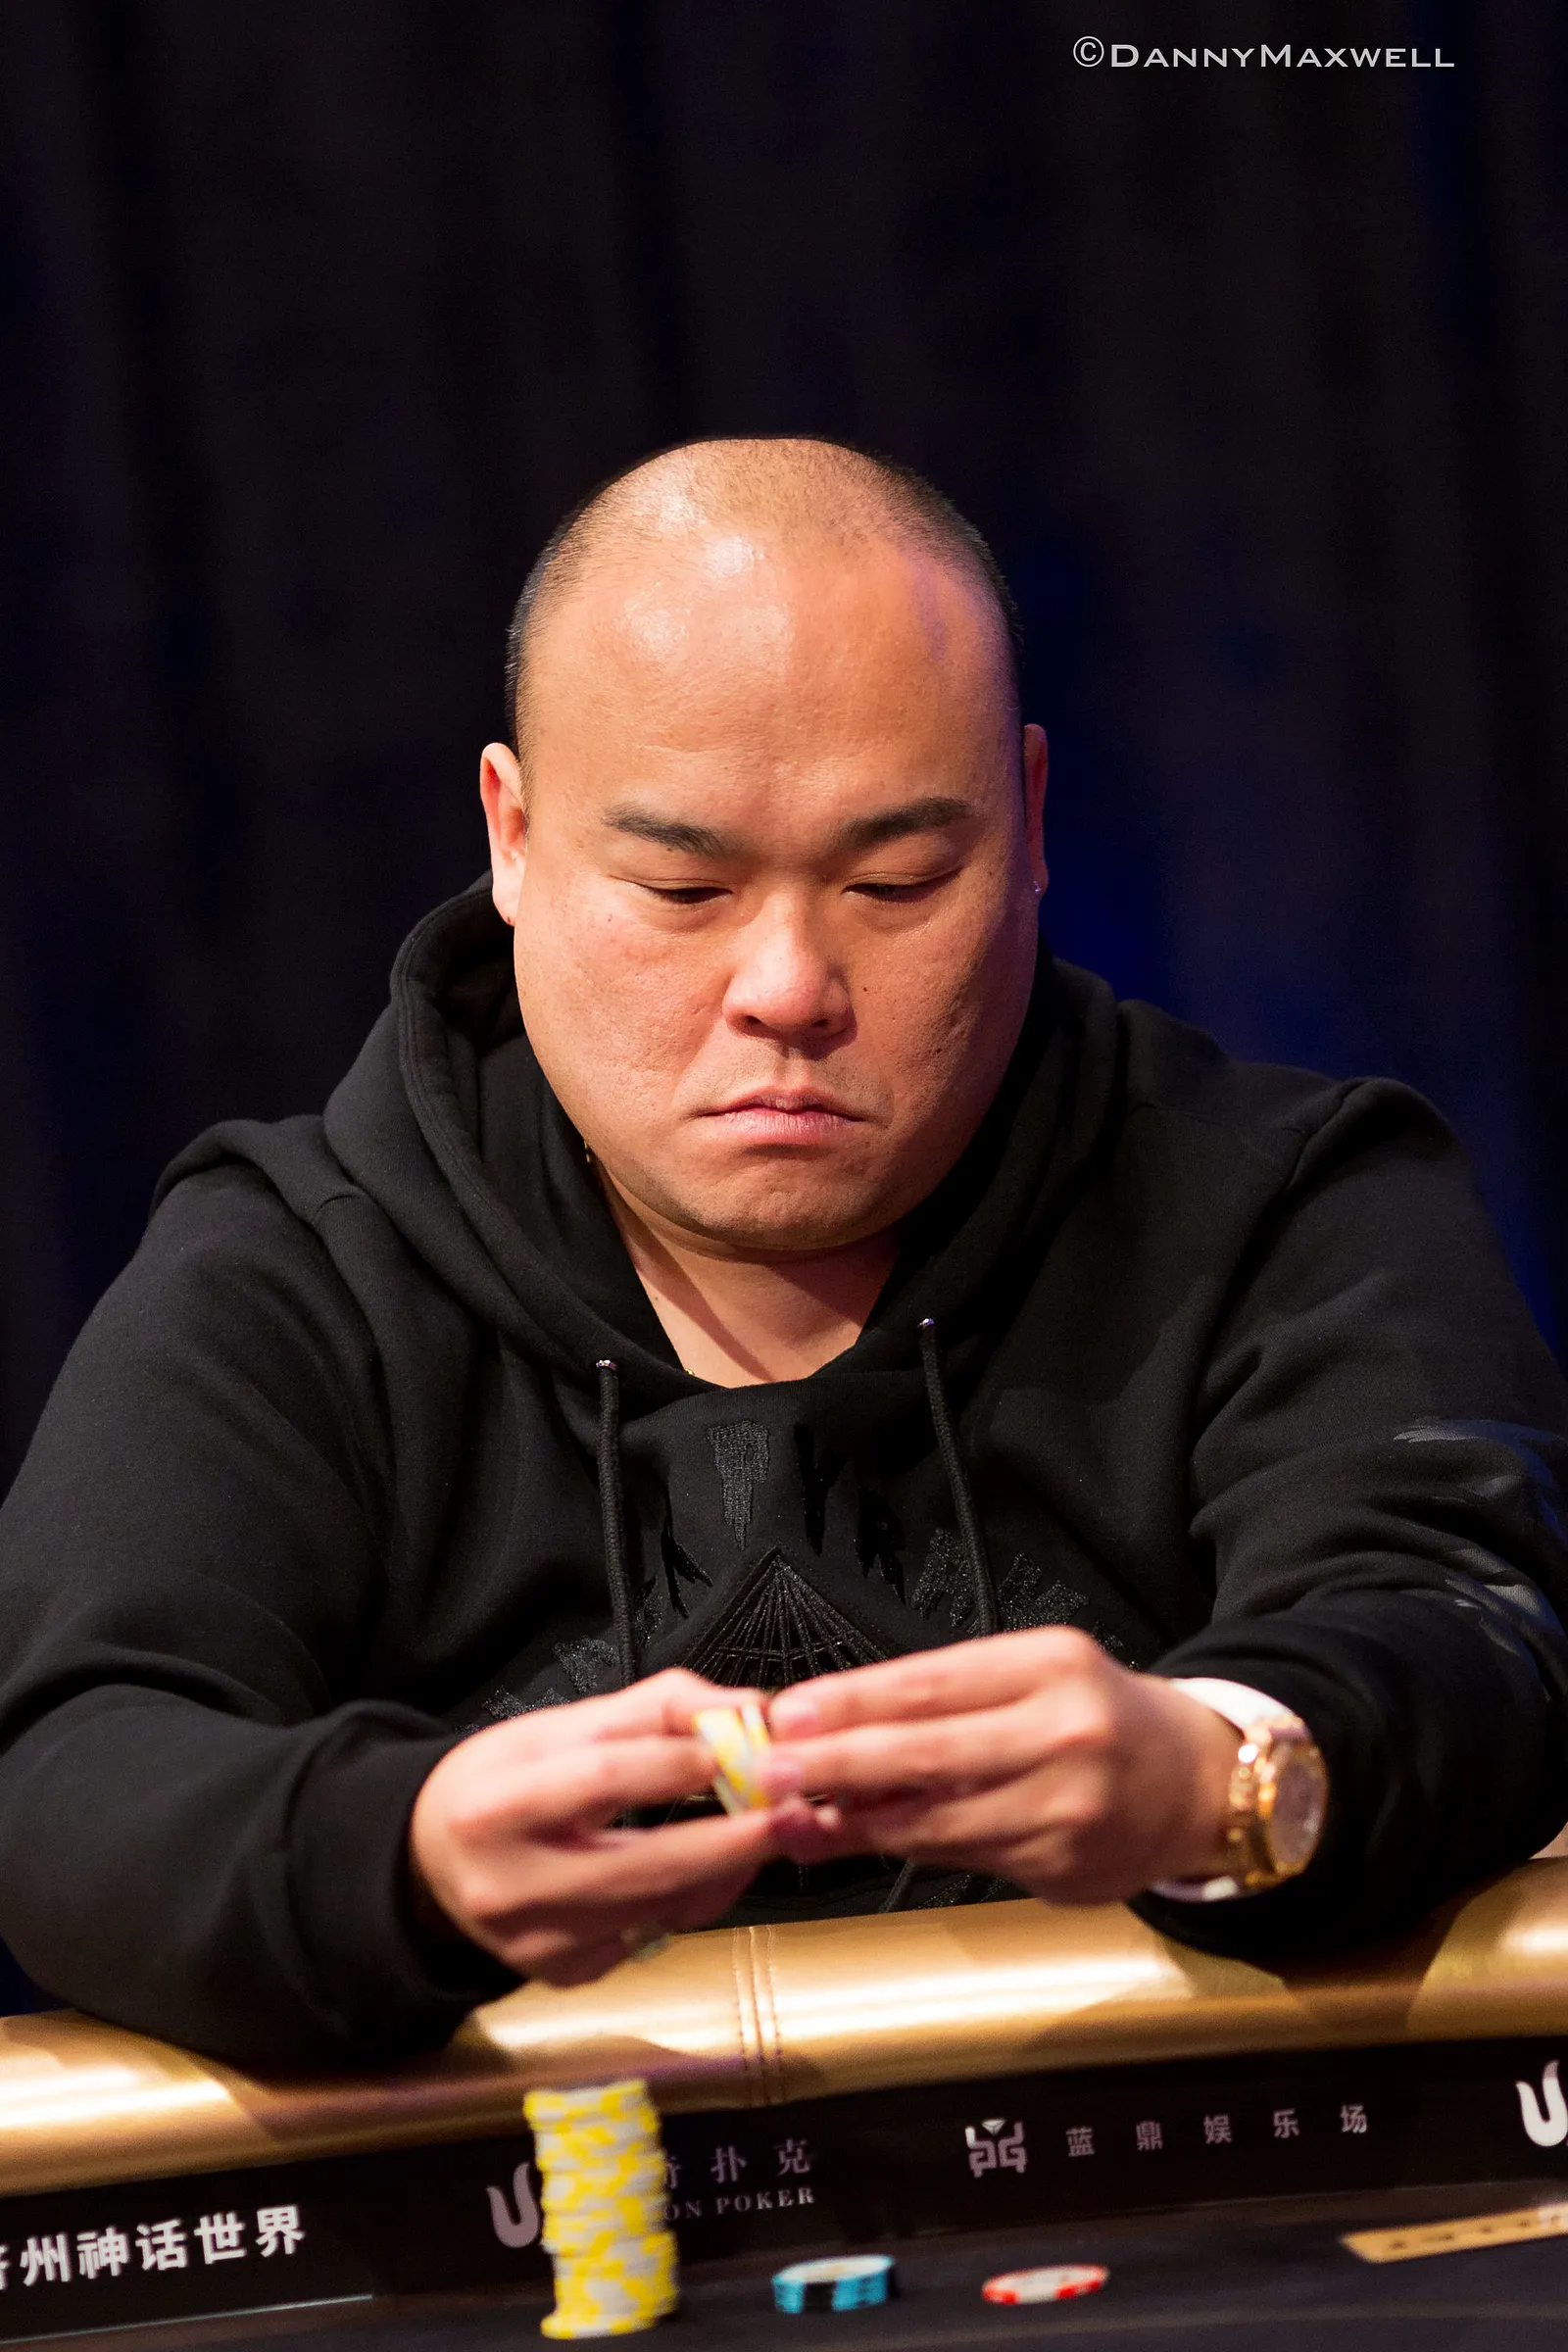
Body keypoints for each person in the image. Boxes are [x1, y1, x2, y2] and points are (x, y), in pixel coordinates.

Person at [1, 437, 1566, 2071]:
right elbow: (67, 1772)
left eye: (897, 881)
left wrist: (1211, 1774)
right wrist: (404, 1856)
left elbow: (1476, 1628)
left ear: (1032, 821)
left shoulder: (1284, 1204)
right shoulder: (298, 1273)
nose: (791, 988)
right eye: (685, 887)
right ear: (512, 838)